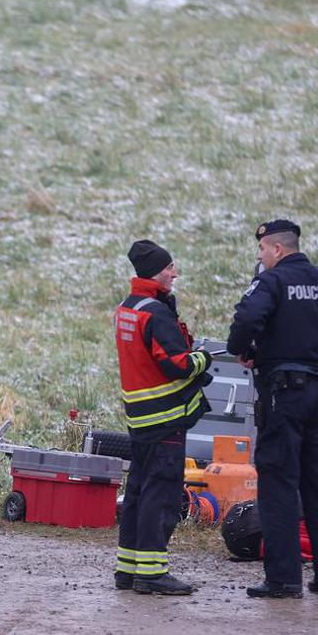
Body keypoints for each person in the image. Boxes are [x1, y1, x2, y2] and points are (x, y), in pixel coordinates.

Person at [227, 219, 318, 599]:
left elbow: (245, 320)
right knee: (317, 486)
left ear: (276, 249)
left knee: (278, 485)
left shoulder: (272, 282)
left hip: (284, 395)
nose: (260, 257)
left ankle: (284, 579)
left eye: (262, 250)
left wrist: (249, 351)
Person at [113, 240, 213, 595]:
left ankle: (127, 569)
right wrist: (202, 359)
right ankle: (153, 573)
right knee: (162, 496)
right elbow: (178, 364)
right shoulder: (156, 312)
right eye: (171, 267)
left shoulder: (128, 308)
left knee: (138, 492)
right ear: (157, 270)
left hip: (139, 420)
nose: (175, 273)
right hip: (166, 419)